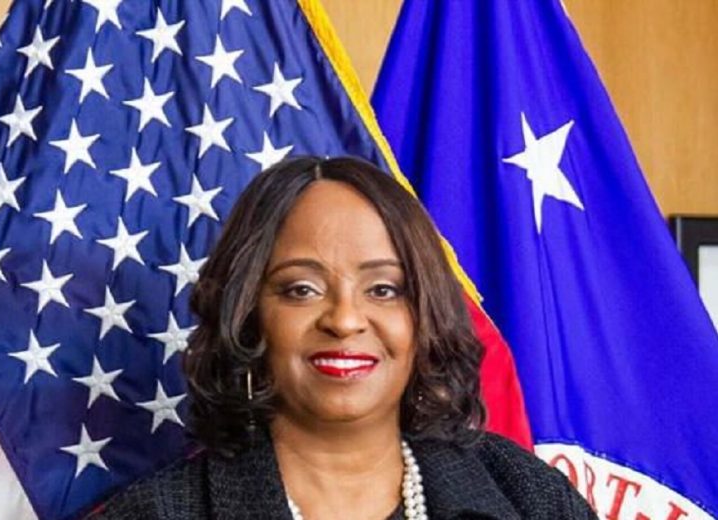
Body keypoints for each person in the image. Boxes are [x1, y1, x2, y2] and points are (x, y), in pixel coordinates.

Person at [91, 156, 596, 519]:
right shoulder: (159, 511)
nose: (345, 319)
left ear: (424, 317)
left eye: (383, 289)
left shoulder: (526, 496)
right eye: (301, 289)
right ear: (247, 317)